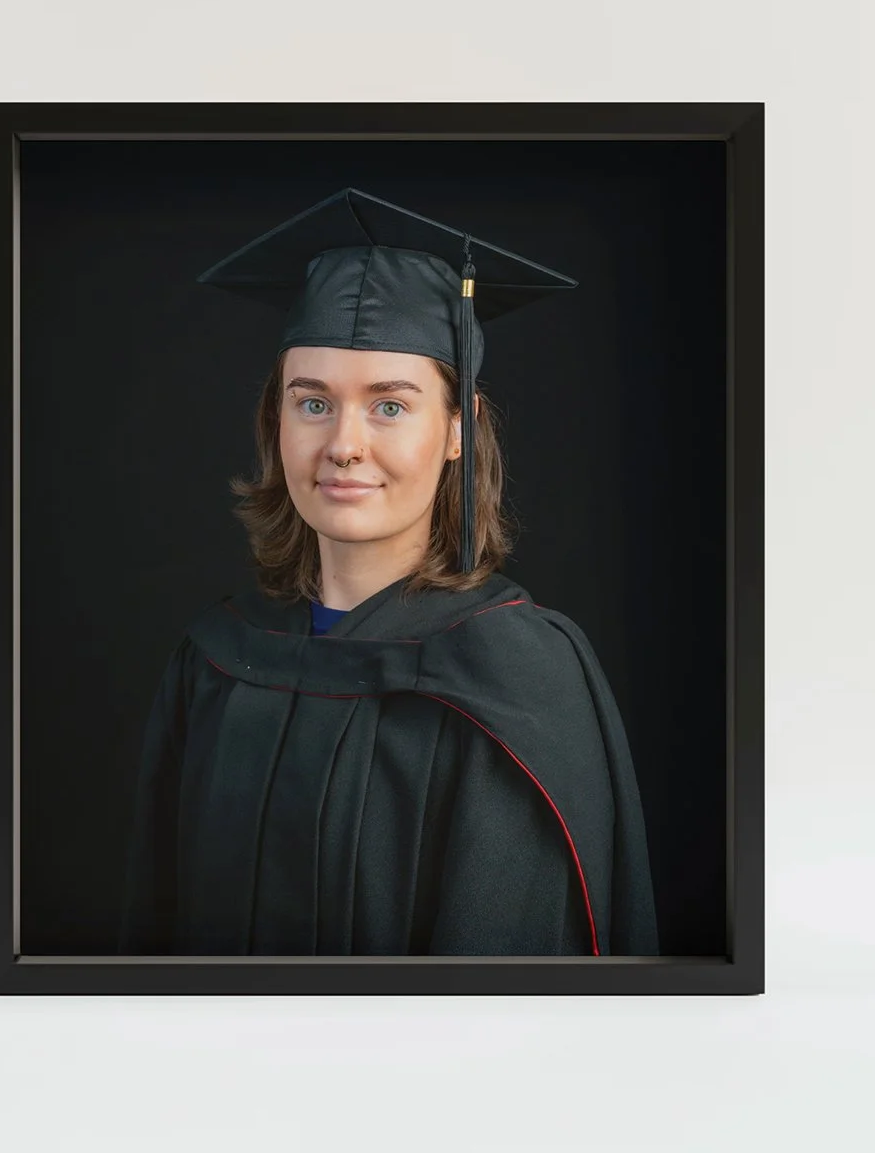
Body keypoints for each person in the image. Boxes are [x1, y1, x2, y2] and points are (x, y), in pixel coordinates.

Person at [119, 187, 659, 957]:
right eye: (313, 403)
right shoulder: (217, 659)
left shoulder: (513, 676)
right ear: (277, 420)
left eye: (390, 406)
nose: (343, 443)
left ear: (458, 430)